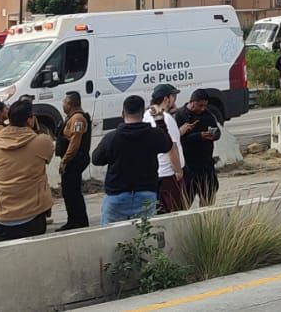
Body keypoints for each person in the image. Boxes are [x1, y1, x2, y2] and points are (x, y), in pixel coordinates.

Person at [0, 99, 54, 241]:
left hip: (2, 217)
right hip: (34, 214)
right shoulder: (43, 142)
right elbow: (48, 155)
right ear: (30, 120)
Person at [92, 94, 169, 224]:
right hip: (146, 194)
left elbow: (96, 159)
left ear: (123, 114)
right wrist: (159, 119)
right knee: (143, 237)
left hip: (116, 197)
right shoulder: (154, 135)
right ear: (142, 113)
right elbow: (167, 145)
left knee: (110, 239)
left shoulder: (112, 138)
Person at [176, 90, 222, 207]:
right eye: (200, 106)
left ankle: (207, 220)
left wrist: (214, 135)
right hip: (189, 165)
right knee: (185, 200)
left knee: (209, 195)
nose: (202, 109)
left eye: (205, 106)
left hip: (206, 163)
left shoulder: (207, 114)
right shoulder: (180, 115)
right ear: (192, 103)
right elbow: (177, 140)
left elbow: (217, 130)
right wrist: (198, 136)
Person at [146, 84, 187, 214]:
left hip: (155, 172)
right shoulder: (167, 119)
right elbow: (171, 147)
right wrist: (178, 170)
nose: (174, 100)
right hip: (169, 174)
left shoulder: (146, 115)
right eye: (173, 96)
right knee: (175, 212)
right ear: (166, 99)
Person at [55, 91, 92, 230]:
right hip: (72, 159)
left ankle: (78, 221)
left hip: (74, 160)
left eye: (64, 102)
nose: (63, 105)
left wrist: (65, 160)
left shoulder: (78, 119)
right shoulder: (72, 117)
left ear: (70, 104)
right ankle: (75, 219)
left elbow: (75, 142)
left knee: (72, 191)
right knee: (69, 191)